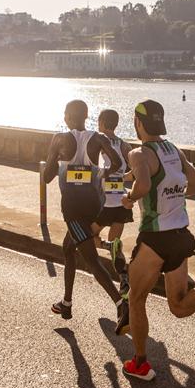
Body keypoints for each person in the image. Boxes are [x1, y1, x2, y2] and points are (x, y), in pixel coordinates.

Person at [119, 99, 195, 381]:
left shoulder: (138, 153)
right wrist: (171, 196)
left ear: (137, 123)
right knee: (178, 305)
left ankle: (140, 363)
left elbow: (144, 184)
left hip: (155, 238)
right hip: (181, 236)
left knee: (136, 299)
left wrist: (130, 198)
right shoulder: (175, 150)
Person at [42, 100, 130, 335]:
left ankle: (121, 305)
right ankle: (67, 303)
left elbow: (47, 177)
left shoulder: (59, 139)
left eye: (65, 114)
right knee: (68, 248)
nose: (64, 117)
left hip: (72, 209)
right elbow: (118, 162)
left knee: (91, 259)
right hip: (94, 204)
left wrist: (57, 165)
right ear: (86, 116)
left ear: (68, 116)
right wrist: (100, 173)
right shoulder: (97, 138)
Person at [91, 108, 132, 298]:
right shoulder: (125, 145)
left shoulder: (98, 142)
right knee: (117, 247)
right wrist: (123, 179)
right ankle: (124, 280)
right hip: (121, 203)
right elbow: (137, 170)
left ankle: (105, 246)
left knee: (86, 237)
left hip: (104, 203)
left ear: (101, 122)